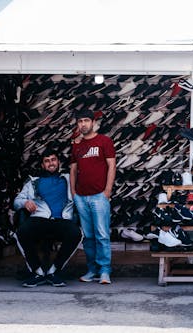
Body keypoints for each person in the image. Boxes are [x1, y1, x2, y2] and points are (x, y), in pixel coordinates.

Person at [14, 149, 82, 288]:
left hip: (62, 219)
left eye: (53, 160)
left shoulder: (69, 179)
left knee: (76, 233)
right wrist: (25, 202)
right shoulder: (33, 182)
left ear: (58, 162)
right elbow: (16, 202)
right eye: (47, 161)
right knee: (21, 232)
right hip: (40, 218)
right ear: (43, 165)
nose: (51, 163)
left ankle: (53, 271)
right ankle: (37, 272)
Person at [70, 109, 116, 284]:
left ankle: (105, 270)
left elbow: (112, 166)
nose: (83, 124)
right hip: (81, 197)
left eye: (86, 120)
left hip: (99, 195)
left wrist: (107, 191)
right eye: (80, 121)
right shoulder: (77, 145)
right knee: (88, 237)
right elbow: (73, 169)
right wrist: (73, 193)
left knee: (102, 234)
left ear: (93, 122)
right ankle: (92, 270)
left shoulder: (104, 141)